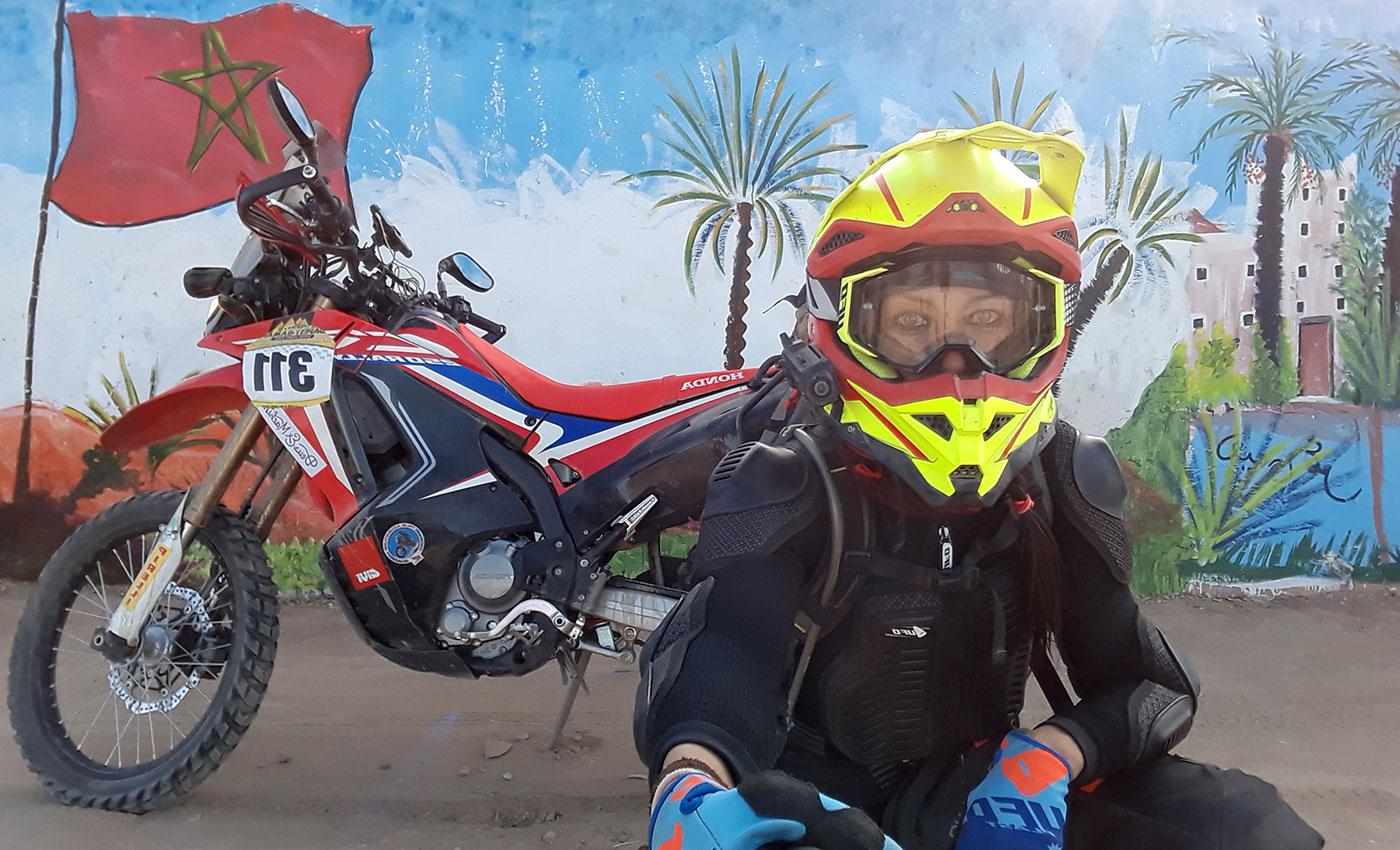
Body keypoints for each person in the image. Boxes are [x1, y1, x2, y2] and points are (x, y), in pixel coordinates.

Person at [633, 123, 1324, 850]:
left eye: (989, 320)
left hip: (986, 800)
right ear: (843, 325)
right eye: (911, 322)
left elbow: (1151, 684)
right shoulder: (785, 479)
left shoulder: (1058, 474)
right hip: (820, 812)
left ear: (1044, 327)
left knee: (1246, 828)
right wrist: (690, 784)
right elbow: (726, 659)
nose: (956, 361)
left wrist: (1043, 761)